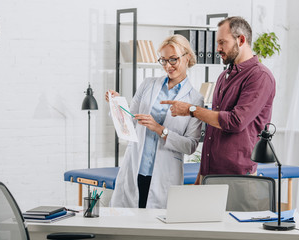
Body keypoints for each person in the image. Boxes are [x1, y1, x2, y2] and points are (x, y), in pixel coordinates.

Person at [161, 16, 276, 184]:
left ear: (241, 40)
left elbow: (235, 122)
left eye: (222, 42)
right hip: (211, 173)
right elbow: (213, 132)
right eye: (217, 43)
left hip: (237, 176)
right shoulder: (224, 76)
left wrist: (191, 110)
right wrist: (201, 175)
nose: (218, 49)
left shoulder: (260, 76)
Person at [105, 35, 203, 209]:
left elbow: (190, 146)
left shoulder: (195, 99)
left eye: (173, 59)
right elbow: (130, 121)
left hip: (164, 174)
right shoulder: (148, 84)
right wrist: (118, 103)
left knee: (154, 229)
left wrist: (160, 130)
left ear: (187, 57)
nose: (167, 65)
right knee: (126, 226)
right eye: (163, 60)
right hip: (135, 168)